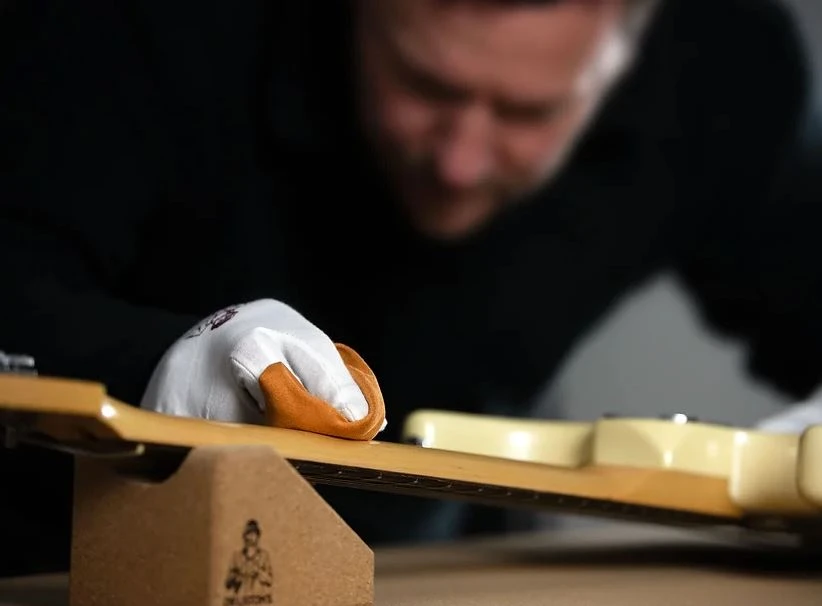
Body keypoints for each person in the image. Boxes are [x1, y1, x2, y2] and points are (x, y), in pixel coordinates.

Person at [1, 0, 821, 576]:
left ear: (621, 46)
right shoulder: (142, 26)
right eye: (425, 86)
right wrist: (160, 364)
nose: (460, 162)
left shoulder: (724, 72)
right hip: (67, 550)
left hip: (446, 564)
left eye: (527, 113)